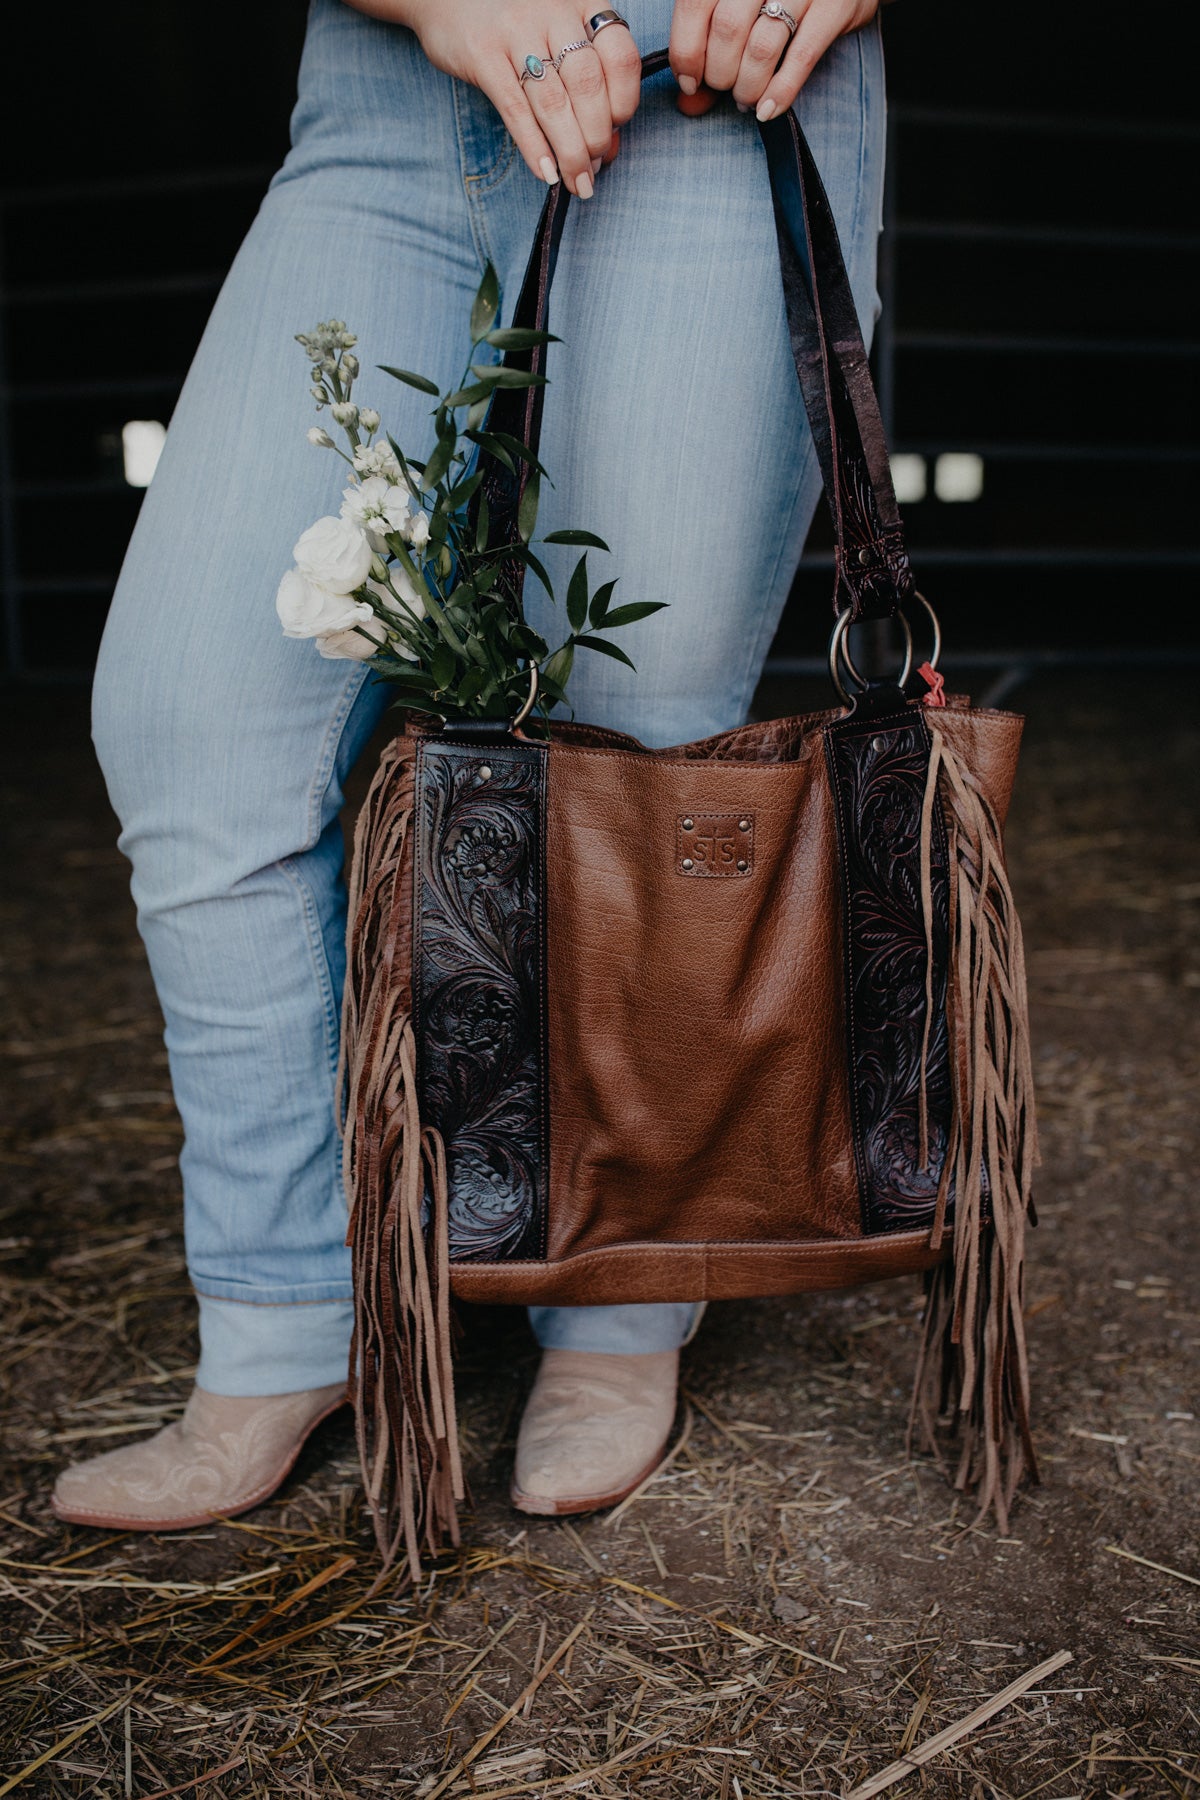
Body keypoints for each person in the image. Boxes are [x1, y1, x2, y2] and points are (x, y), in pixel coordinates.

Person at [52, 0, 885, 1532]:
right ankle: (291, 1319)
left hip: (705, 79)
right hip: (386, 95)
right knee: (192, 710)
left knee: (645, 744)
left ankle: (618, 1310)